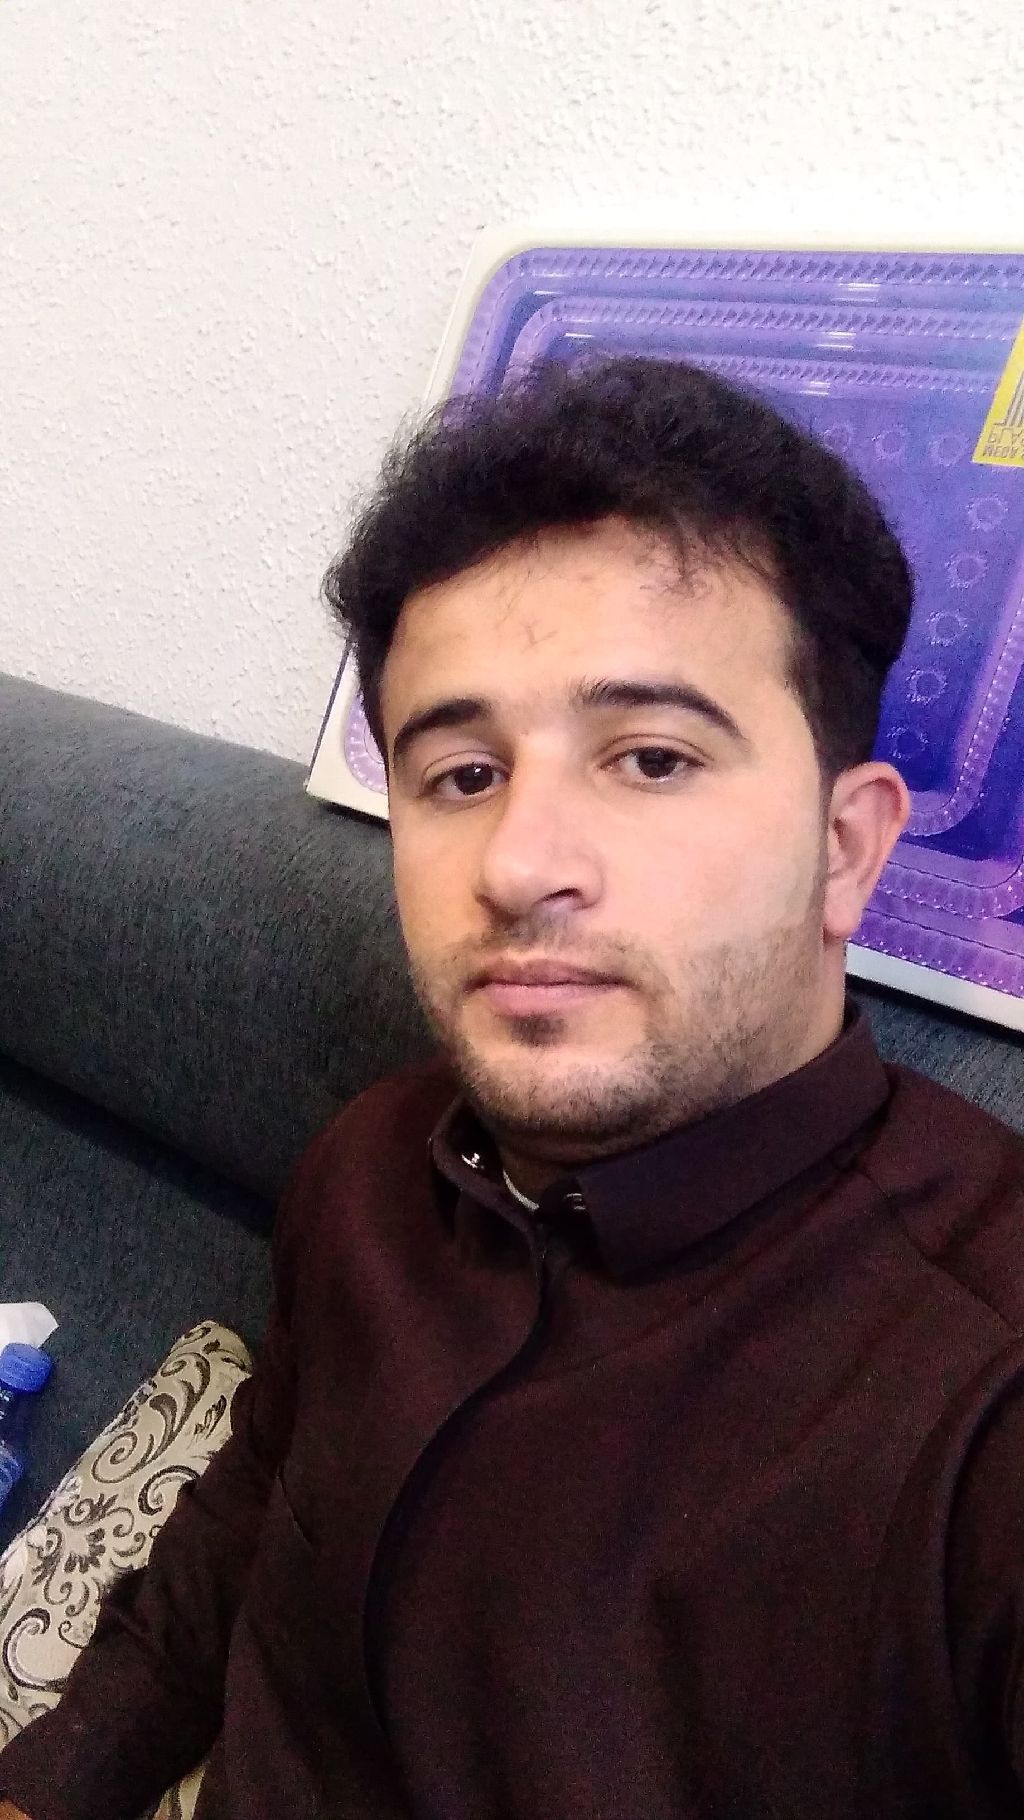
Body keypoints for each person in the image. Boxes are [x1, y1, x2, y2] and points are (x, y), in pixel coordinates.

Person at [1, 353, 1023, 1820]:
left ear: (845, 849)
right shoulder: (368, 1168)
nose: (521, 864)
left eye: (651, 758)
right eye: (463, 775)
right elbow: (248, 1521)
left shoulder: (981, 1404)